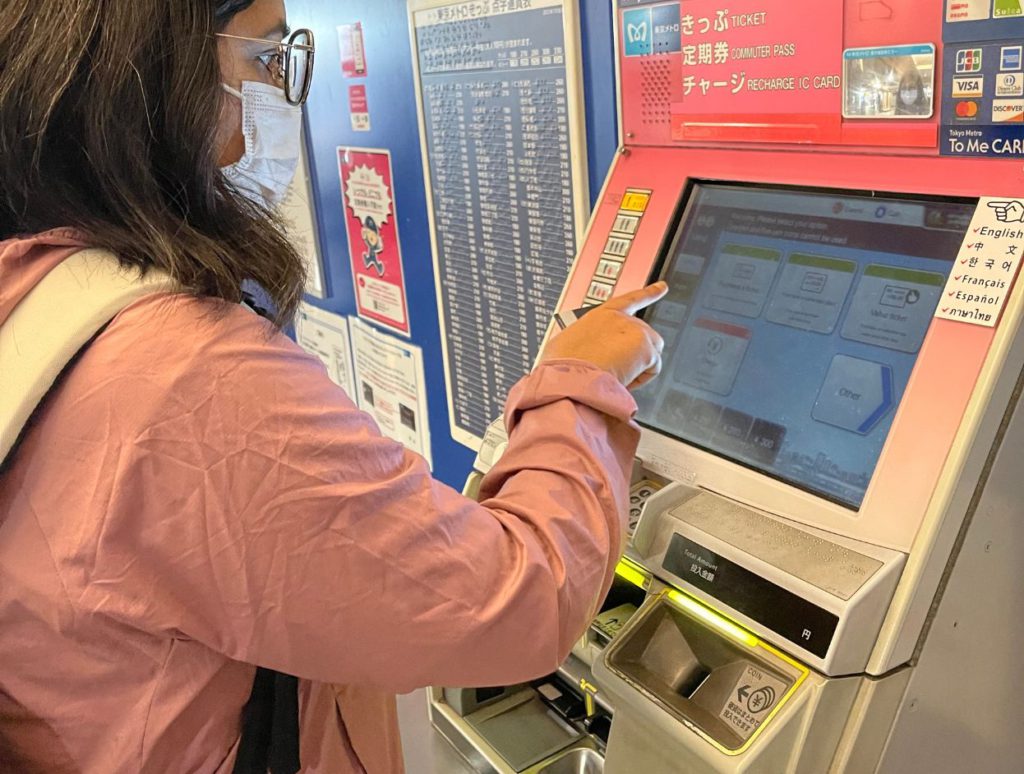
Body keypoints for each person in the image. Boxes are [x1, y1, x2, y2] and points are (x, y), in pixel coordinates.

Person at [0, 1, 667, 772]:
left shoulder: (37, 282)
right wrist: (578, 385)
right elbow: (524, 599)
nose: (267, 110)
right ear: (156, 76)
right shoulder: (186, 377)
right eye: (261, 59)